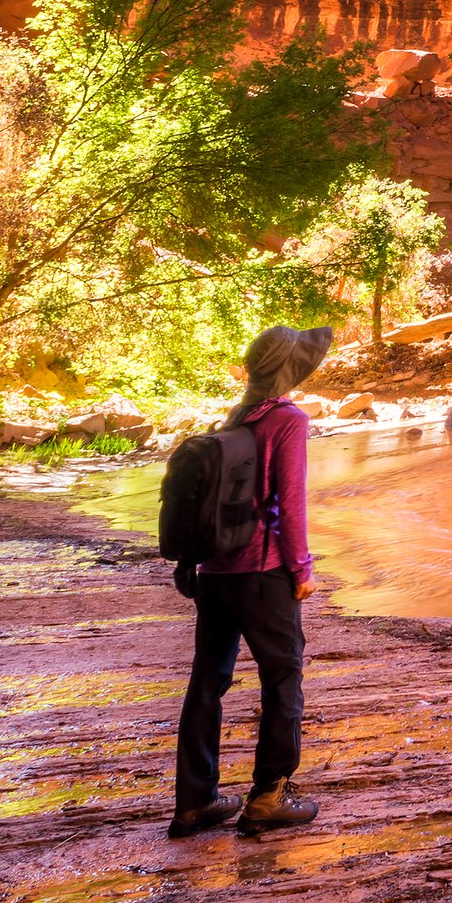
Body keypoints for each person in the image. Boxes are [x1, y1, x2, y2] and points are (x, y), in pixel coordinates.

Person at [171, 323, 331, 840]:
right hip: (263, 576)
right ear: (291, 371)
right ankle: (268, 797)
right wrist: (301, 568)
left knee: (207, 682)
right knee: (283, 681)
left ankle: (196, 801)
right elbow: (291, 500)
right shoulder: (287, 419)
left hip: (215, 573)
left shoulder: (236, 416)